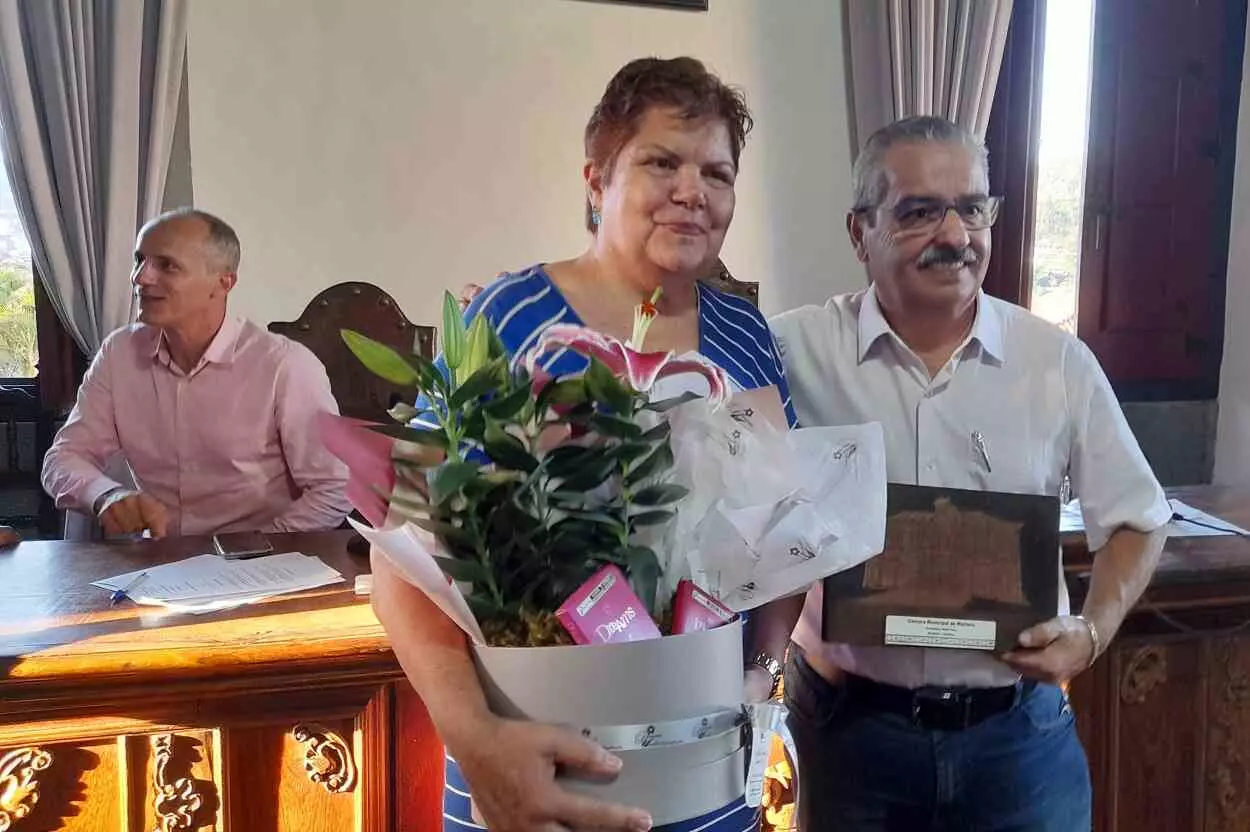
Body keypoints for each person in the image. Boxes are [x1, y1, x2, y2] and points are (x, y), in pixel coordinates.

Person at [370, 57, 796, 832]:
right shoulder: (510, 315)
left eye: (717, 172)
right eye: (661, 162)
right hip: (533, 776)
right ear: (596, 181)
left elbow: (785, 538)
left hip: (703, 776)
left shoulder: (746, 335)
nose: (692, 191)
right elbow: (403, 555)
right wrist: (477, 739)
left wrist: (762, 680)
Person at [755, 115, 1171, 831]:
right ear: (860, 231)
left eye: (973, 207)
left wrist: (1093, 633)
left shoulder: (1056, 362)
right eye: (919, 212)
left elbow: (1137, 517)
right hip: (847, 737)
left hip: (1017, 744)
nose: (955, 235)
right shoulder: (789, 353)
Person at [41, 208, 351, 539]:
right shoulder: (118, 355)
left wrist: (253, 549)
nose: (140, 277)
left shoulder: (285, 366)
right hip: (157, 564)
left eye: (166, 265)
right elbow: (64, 458)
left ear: (223, 283)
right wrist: (106, 495)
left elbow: (334, 489)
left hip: (263, 565)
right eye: (139, 260)